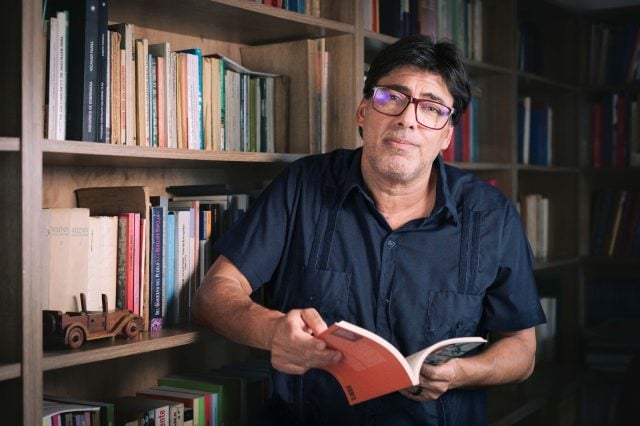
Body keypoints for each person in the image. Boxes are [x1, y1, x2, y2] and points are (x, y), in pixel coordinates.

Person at [192, 34, 546, 425]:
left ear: (446, 135)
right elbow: (213, 295)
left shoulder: (491, 215)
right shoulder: (302, 186)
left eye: (431, 108)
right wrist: (273, 331)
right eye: (392, 97)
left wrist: (462, 373)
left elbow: (522, 349)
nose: (407, 119)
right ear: (363, 111)